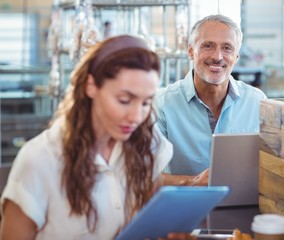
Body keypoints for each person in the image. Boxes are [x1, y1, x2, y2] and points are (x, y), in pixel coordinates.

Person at [0, 35, 192, 239]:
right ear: (90, 86)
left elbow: (149, 217)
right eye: (124, 100)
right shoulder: (40, 158)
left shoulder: (145, 141)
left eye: (146, 103)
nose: (136, 117)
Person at [155, 14, 267, 186]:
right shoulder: (162, 103)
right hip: (185, 209)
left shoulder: (257, 102)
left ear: (236, 57)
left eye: (227, 48)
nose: (218, 56)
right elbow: (143, 177)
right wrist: (192, 182)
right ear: (191, 51)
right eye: (208, 46)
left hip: (243, 208)